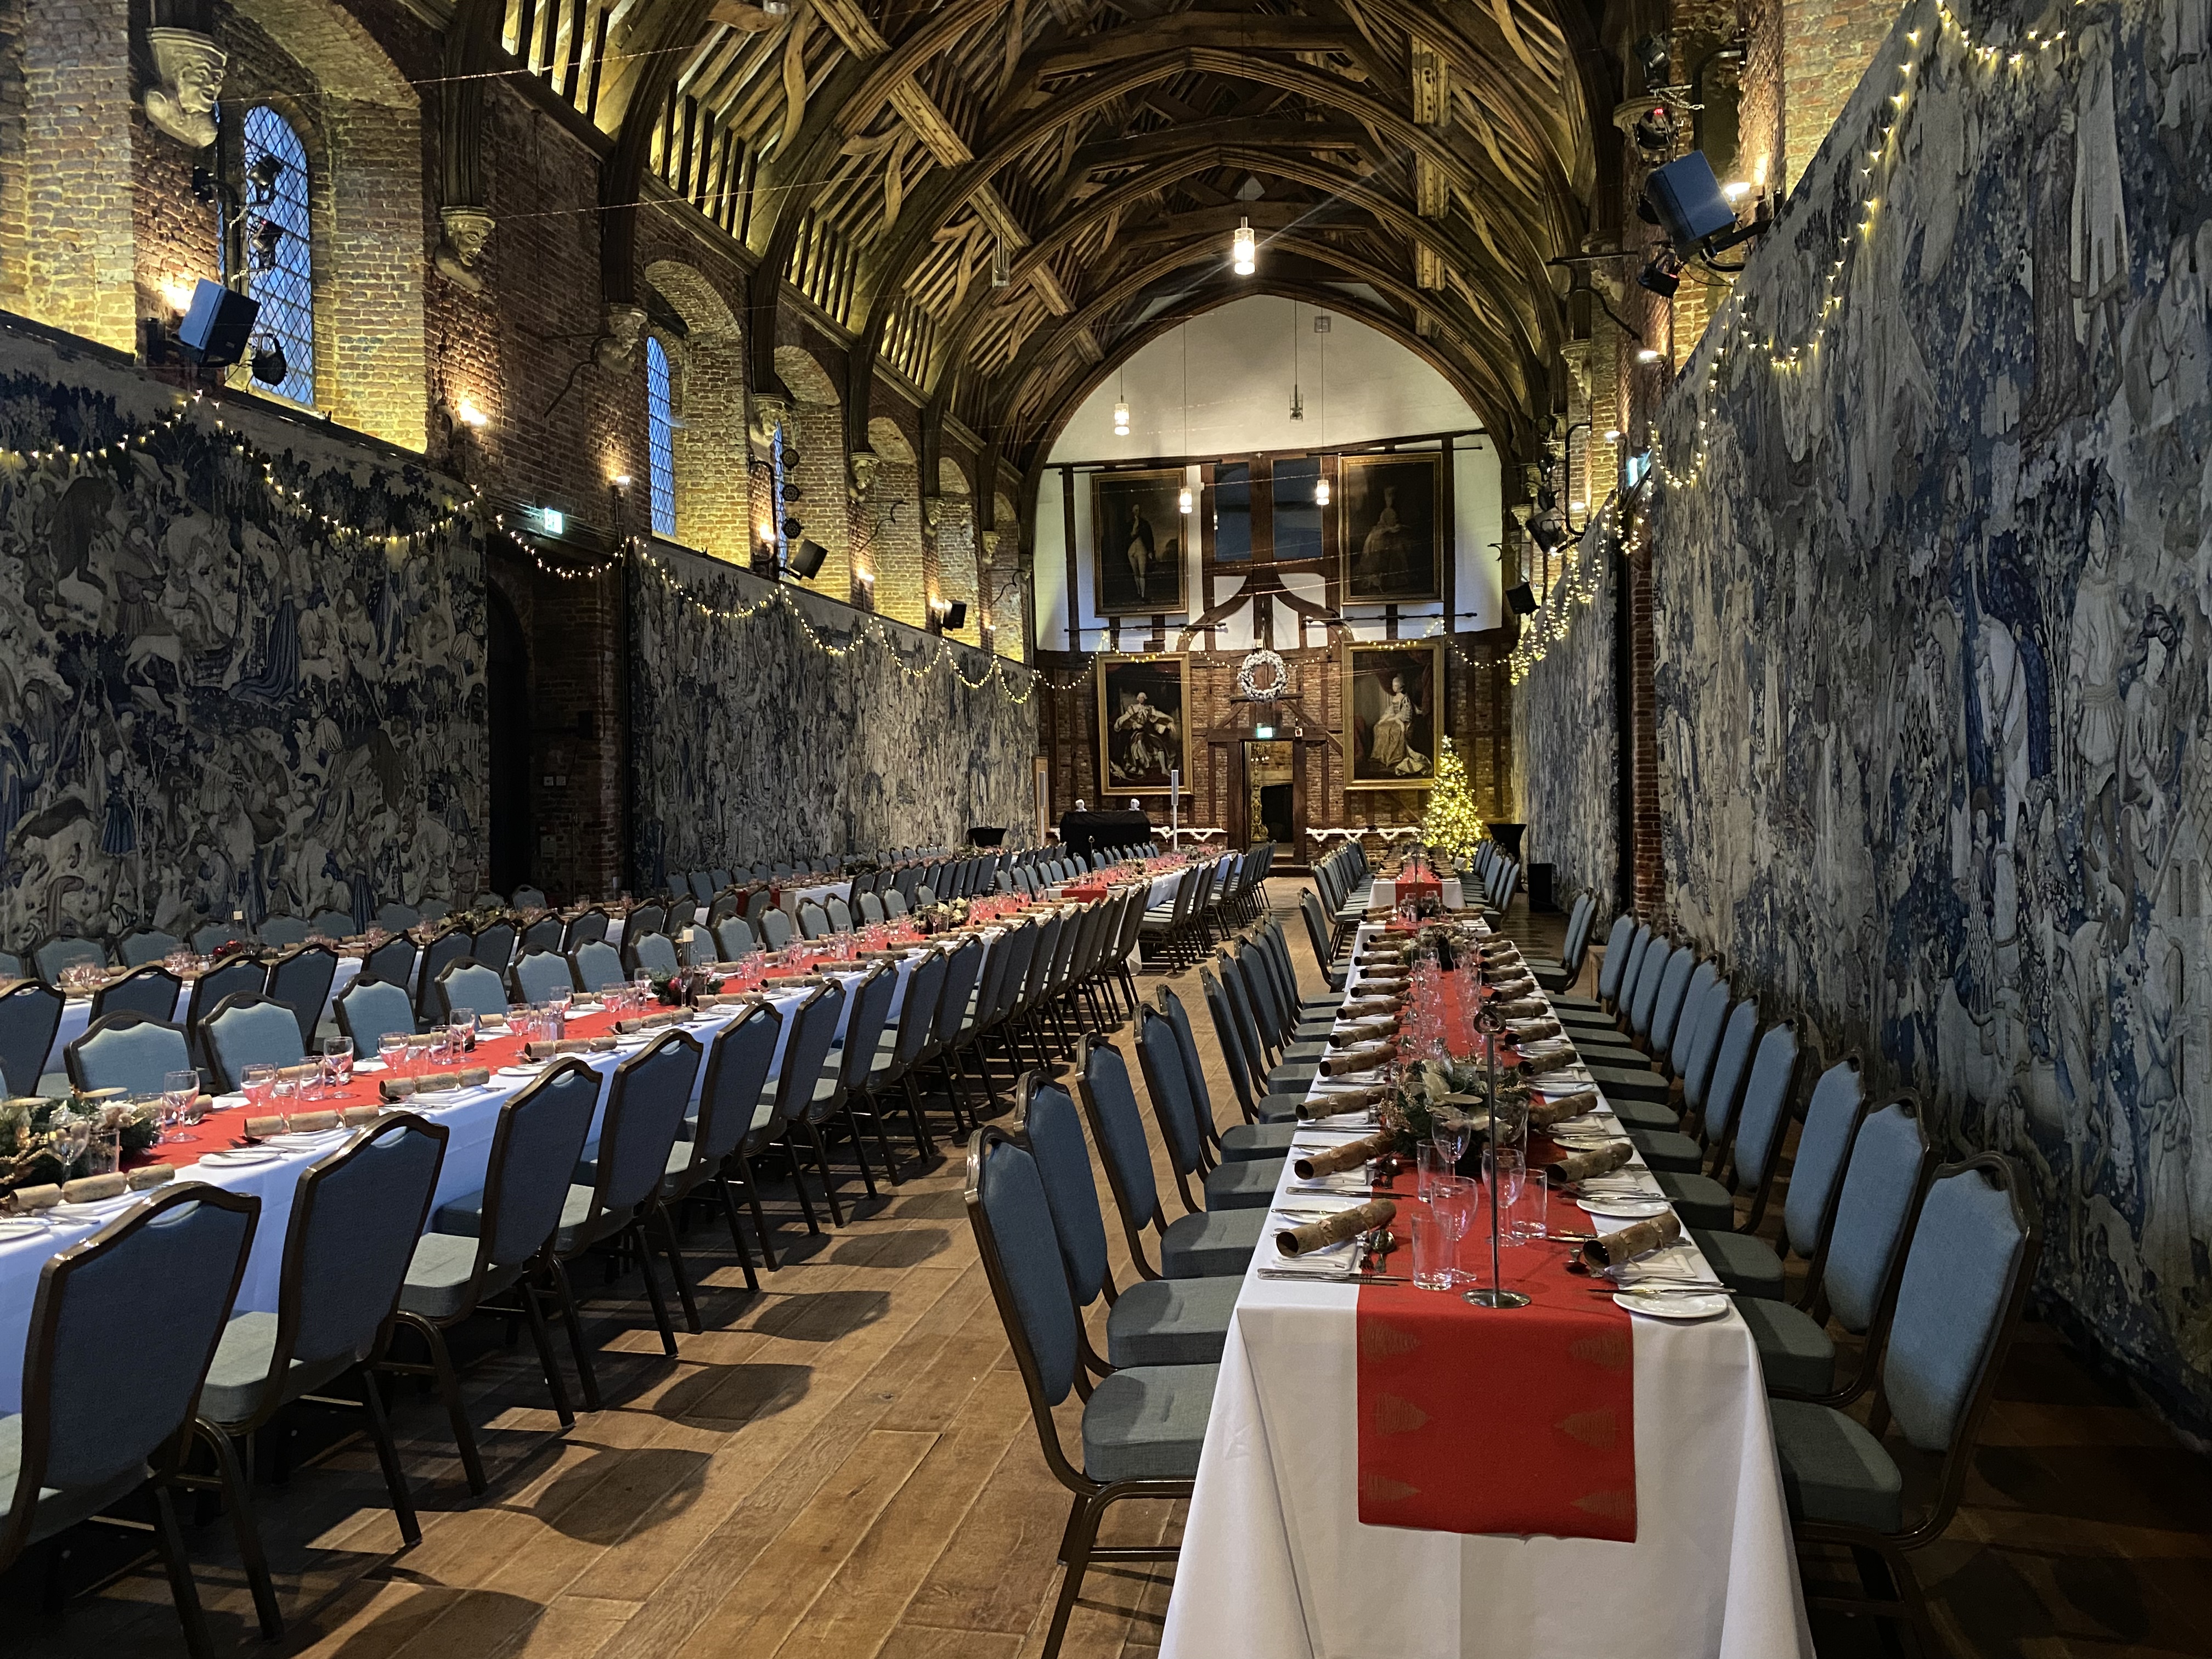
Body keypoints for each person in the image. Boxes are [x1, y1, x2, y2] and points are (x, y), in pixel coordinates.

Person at [1369, 673, 1428, 776]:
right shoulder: (1395, 698)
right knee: (1379, 727)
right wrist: (1385, 719)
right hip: (1395, 719)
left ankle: (1394, 758)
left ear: (1401, 686)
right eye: (1393, 685)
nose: (1395, 688)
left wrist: (1397, 720)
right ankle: (1381, 756)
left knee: (1394, 731)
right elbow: (1391, 710)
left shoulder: (1405, 698)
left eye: (1397, 685)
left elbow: (1406, 712)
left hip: (1402, 721)